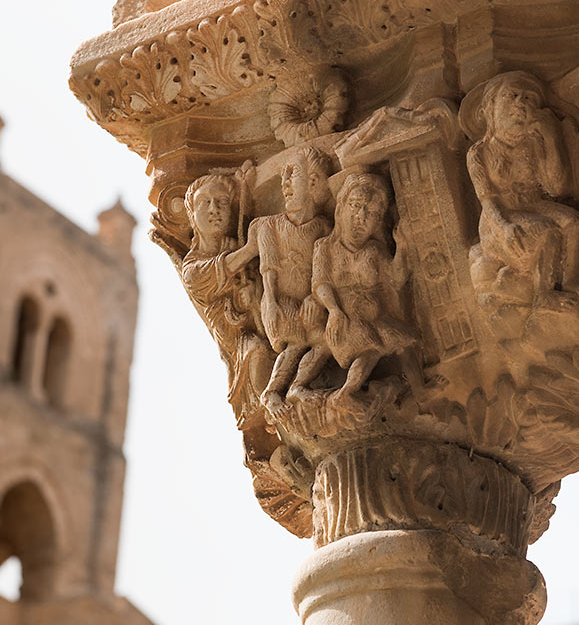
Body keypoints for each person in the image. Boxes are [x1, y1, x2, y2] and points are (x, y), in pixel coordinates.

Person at [290, 171, 424, 404]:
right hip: (341, 322)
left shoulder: (374, 251)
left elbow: (397, 279)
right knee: (368, 347)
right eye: (355, 205)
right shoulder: (325, 247)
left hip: (372, 319)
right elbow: (320, 284)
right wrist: (334, 310)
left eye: (371, 212)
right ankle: (335, 391)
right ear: (340, 208)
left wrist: (402, 247)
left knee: (407, 341)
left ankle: (421, 390)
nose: (361, 217)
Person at [466, 71, 579, 302]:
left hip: (533, 206)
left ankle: (571, 280)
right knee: (546, 231)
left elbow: (556, 187)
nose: (520, 103)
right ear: (490, 107)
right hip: (499, 218)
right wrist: (504, 227)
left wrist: (550, 136)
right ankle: (545, 295)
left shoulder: (532, 143)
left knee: (576, 223)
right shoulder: (479, 152)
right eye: (511, 95)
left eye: (529, 98)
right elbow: (487, 198)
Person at [181, 173, 271, 422]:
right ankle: (268, 412)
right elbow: (221, 269)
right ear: (192, 214)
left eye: (222, 202)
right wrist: (251, 249)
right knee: (256, 351)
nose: (214, 209)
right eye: (205, 202)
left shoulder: (232, 245)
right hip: (238, 346)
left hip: (262, 324)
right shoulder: (192, 268)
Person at [249, 147, 333, 413]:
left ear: (313, 182)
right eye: (282, 177)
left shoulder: (323, 228)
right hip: (279, 301)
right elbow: (268, 270)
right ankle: (272, 392)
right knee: (296, 342)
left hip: (311, 302)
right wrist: (271, 303)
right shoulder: (269, 225)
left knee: (327, 341)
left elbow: (326, 271)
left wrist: (315, 298)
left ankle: (297, 386)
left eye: (292, 174)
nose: (284, 183)